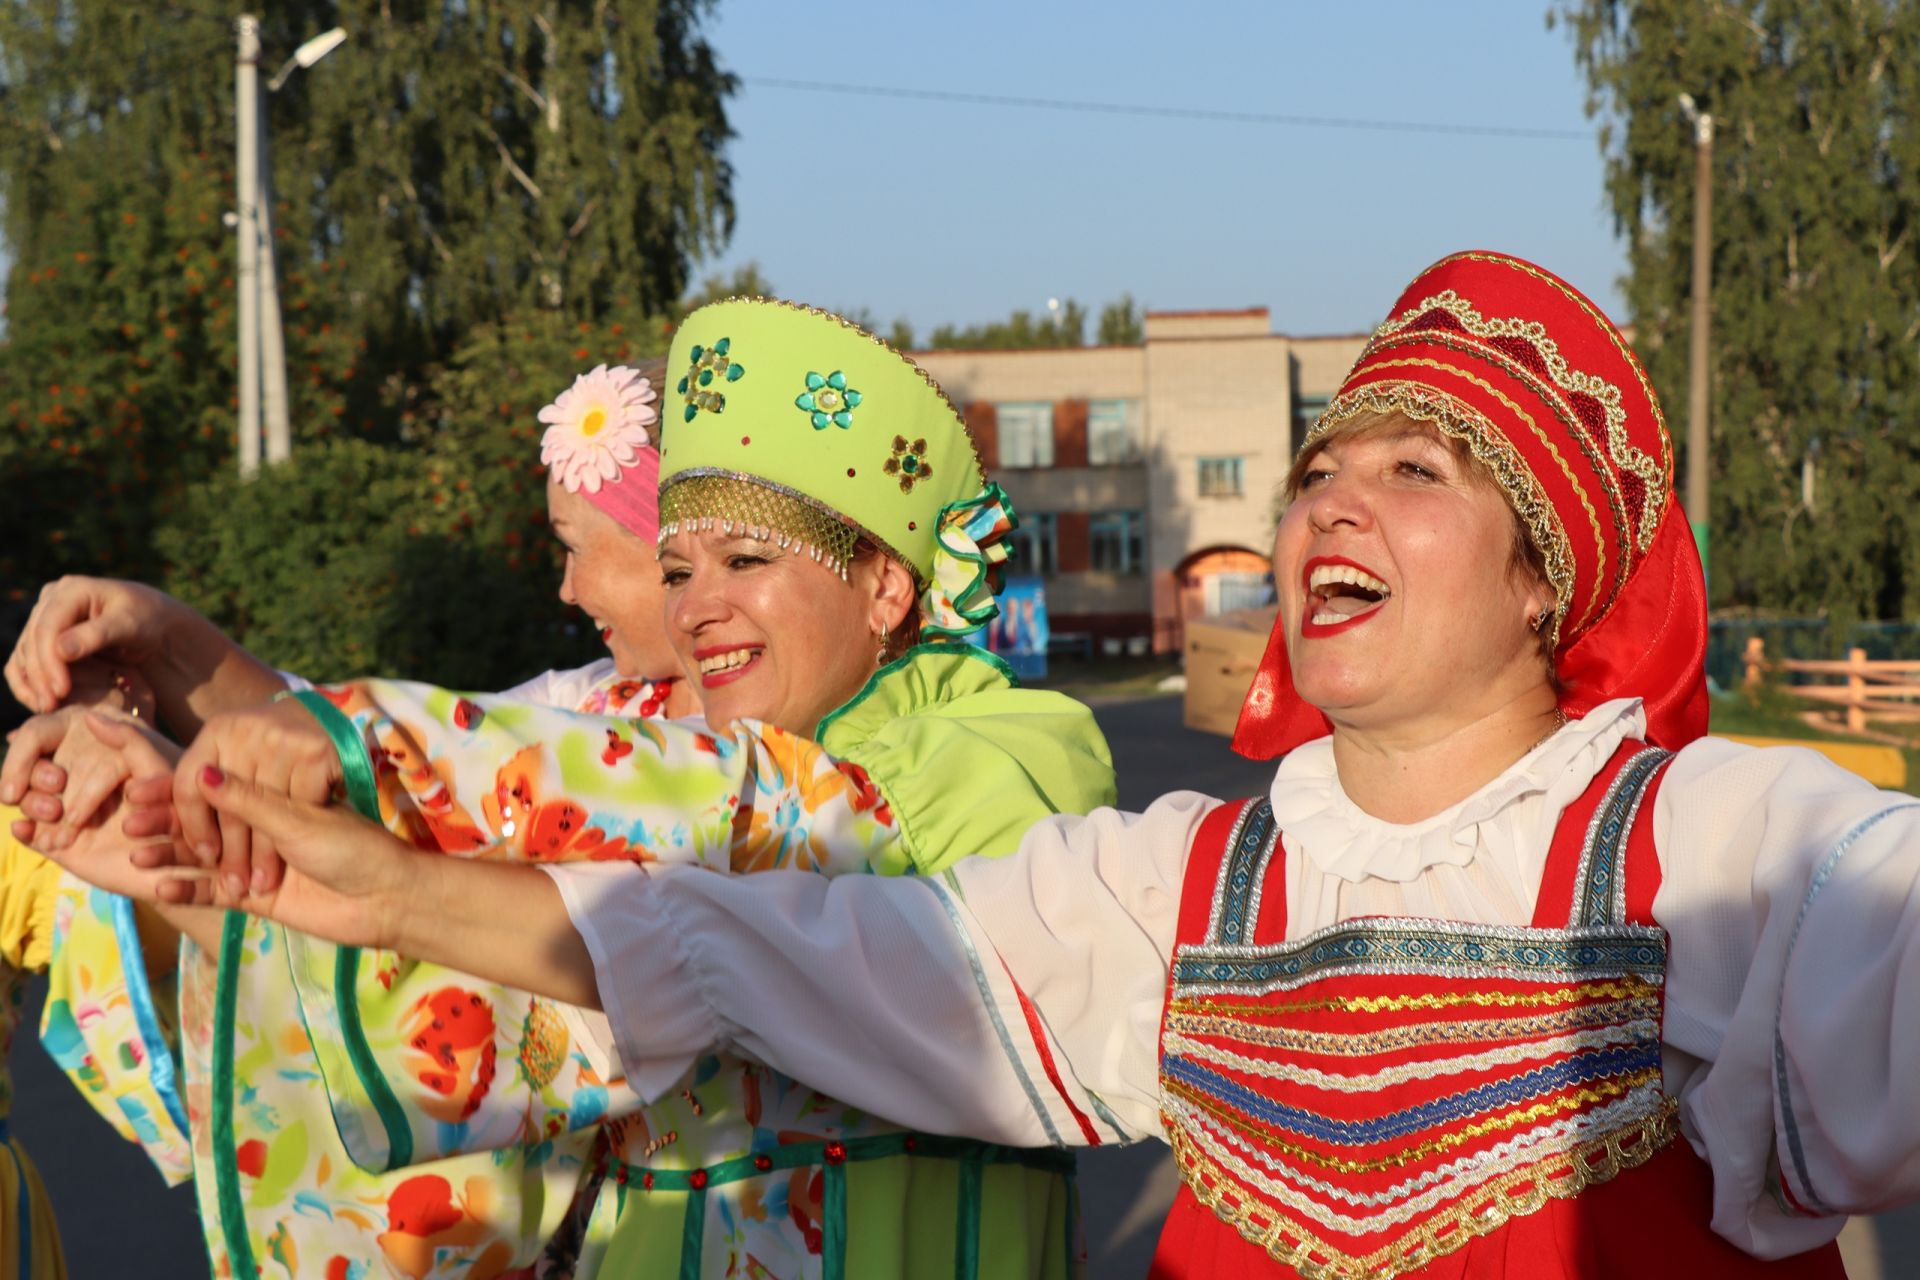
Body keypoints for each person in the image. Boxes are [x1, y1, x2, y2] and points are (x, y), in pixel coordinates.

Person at [129, 252, 1920, 1278]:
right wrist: (358, 881)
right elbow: (763, 946)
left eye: (1411, 475)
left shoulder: (1726, 848)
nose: (1326, 506)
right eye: (1312, 474)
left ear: (1544, 579)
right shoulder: (1180, 892)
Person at [44, 301, 1116, 1278]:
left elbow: (770, 814)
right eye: (679, 568)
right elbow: (493, 976)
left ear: (888, 580)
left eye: (746, 558)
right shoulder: (650, 733)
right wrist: (200, 861)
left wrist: (370, 740)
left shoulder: (1010, 744)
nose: (696, 607)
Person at [1, 362, 702, 1276]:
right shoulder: (593, 705)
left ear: (666, 542)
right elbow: (385, 774)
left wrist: (186, 816)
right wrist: (169, 646)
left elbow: (398, 802)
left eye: (575, 546)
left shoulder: (782, 766)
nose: (564, 590)